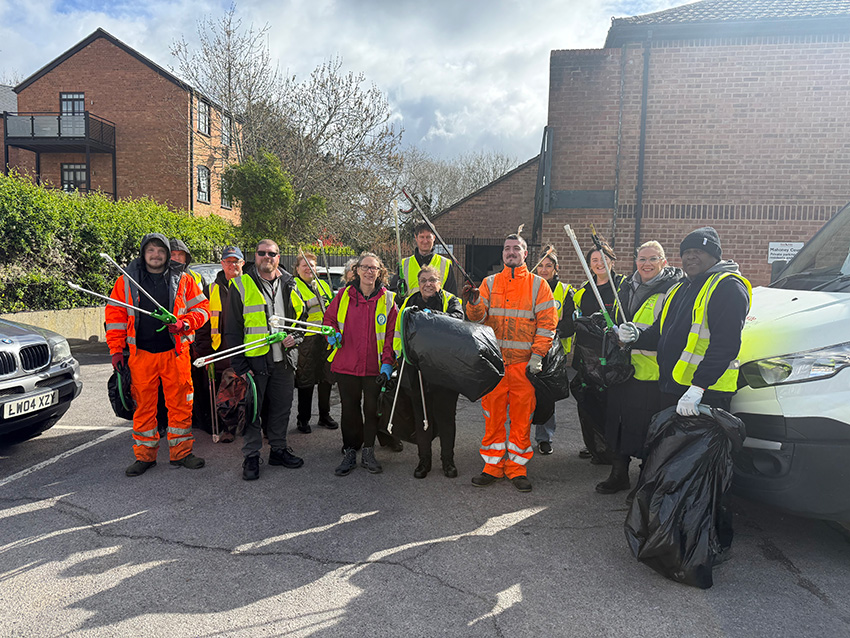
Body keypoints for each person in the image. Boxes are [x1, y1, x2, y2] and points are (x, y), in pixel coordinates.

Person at [618, 227, 751, 553]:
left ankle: (699, 542)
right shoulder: (682, 288)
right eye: (687, 251)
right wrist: (637, 334)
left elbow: (725, 345)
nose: (691, 256)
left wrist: (699, 388)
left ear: (715, 255)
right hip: (674, 392)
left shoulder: (727, 288)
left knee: (701, 473)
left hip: (705, 398)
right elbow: (664, 335)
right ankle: (671, 532)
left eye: (700, 251)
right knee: (673, 467)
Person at [105, 233, 210, 477]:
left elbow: (203, 309)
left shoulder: (183, 279)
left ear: (167, 254)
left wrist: (185, 323)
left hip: (176, 352)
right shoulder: (127, 281)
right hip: (141, 354)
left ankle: (181, 453)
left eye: (160, 251)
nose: (156, 255)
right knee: (143, 407)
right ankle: (145, 456)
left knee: (181, 404)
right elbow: (115, 318)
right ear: (143, 253)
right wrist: (116, 351)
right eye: (151, 250)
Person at [464, 233, 558, 492]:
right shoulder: (489, 283)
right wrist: (472, 303)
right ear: (502, 254)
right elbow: (478, 318)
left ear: (525, 254)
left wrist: (537, 356)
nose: (511, 252)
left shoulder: (539, 286)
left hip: (523, 367)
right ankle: (492, 466)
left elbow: (548, 324)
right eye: (507, 249)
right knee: (492, 418)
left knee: (520, 420)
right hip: (494, 366)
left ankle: (517, 468)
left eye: (516, 248)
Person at [596, 240, 682, 494]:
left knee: (648, 430)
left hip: (653, 373)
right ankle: (619, 473)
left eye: (653, 259)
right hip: (624, 369)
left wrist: (637, 336)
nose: (646, 264)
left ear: (664, 262)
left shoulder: (673, 290)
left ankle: (645, 481)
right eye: (642, 259)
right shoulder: (626, 286)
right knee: (620, 423)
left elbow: (669, 332)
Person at [223, 239, 307, 481]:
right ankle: (251, 455)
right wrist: (240, 366)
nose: (267, 257)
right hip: (254, 363)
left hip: (284, 361)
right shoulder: (240, 285)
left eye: (272, 253)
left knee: (282, 409)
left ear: (278, 257)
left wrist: (296, 337)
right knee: (253, 410)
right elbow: (232, 330)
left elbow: (300, 321)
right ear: (255, 256)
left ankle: (278, 450)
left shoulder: (290, 284)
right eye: (262, 253)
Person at [323, 252, 398, 476]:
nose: (368, 271)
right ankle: (349, 450)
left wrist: (387, 363)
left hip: (374, 367)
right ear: (356, 270)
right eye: (364, 267)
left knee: (372, 410)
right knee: (349, 410)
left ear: (379, 272)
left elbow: (391, 336)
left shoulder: (388, 300)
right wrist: (331, 334)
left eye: (373, 268)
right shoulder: (344, 295)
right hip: (347, 364)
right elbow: (329, 320)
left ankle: (368, 451)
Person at [393, 266, 464, 478]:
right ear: (418, 282)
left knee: (446, 417)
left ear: (439, 282)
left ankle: (448, 461)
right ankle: (424, 461)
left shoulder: (451, 300)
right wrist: (398, 357)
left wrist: (428, 315)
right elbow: (399, 331)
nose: (427, 284)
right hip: (417, 369)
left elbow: (456, 322)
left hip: (445, 370)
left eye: (432, 280)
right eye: (423, 280)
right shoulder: (409, 301)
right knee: (421, 417)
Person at [562, 243, 626, 465]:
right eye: (595, 261)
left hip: (612, 359)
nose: (600, 264)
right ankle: (594, 446)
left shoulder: (623, 287)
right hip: (586, 359)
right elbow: (570, 323)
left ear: (612, 260)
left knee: (612, 406)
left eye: (604, 259)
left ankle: (612, 448)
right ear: (589, 265)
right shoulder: (583, 292)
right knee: (588, 404)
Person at [193, 245, 245, 442]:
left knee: (245, 389)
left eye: (236, 261)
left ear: (242, 263)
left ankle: (247, 425)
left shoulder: (250, 286)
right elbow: (204, 321)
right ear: (222, 264)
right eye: (228, 261)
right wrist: (204, 350)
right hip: (220, 349)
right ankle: (228, 428)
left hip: (244, 347)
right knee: (222, 392)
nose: (232, 265)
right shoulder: (211, 289)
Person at [533, 248, 575, 455]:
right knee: (525, 396)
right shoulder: (529, 287)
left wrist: (548, 328)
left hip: (554, 354)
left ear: (556, 268)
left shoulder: (566, 291)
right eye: (540, 265)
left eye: (548, 265)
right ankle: (519, 436)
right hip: (529, 350)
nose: (543, 269)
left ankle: (544, 437)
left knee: (547, 397)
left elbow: (570, 324)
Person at [293, 252, 338, 433]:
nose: (308, 268)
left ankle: (324, 415)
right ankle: (303, 419)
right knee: (306, 379)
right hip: (306, 338)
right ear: (297, 269)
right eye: (304, 265)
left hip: (325, 337)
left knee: (326, 378)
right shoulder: (293, 286)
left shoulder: (323, 285)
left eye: (311, 265)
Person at [397, 223, 458, 297]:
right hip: (411, 307)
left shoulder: (445, 264)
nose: (425, 241)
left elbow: (453, 297)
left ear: (434, 238)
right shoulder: (403, 265)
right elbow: (394, 296)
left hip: (437, 308)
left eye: (428, 237)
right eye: (422, 237)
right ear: (416, 238)